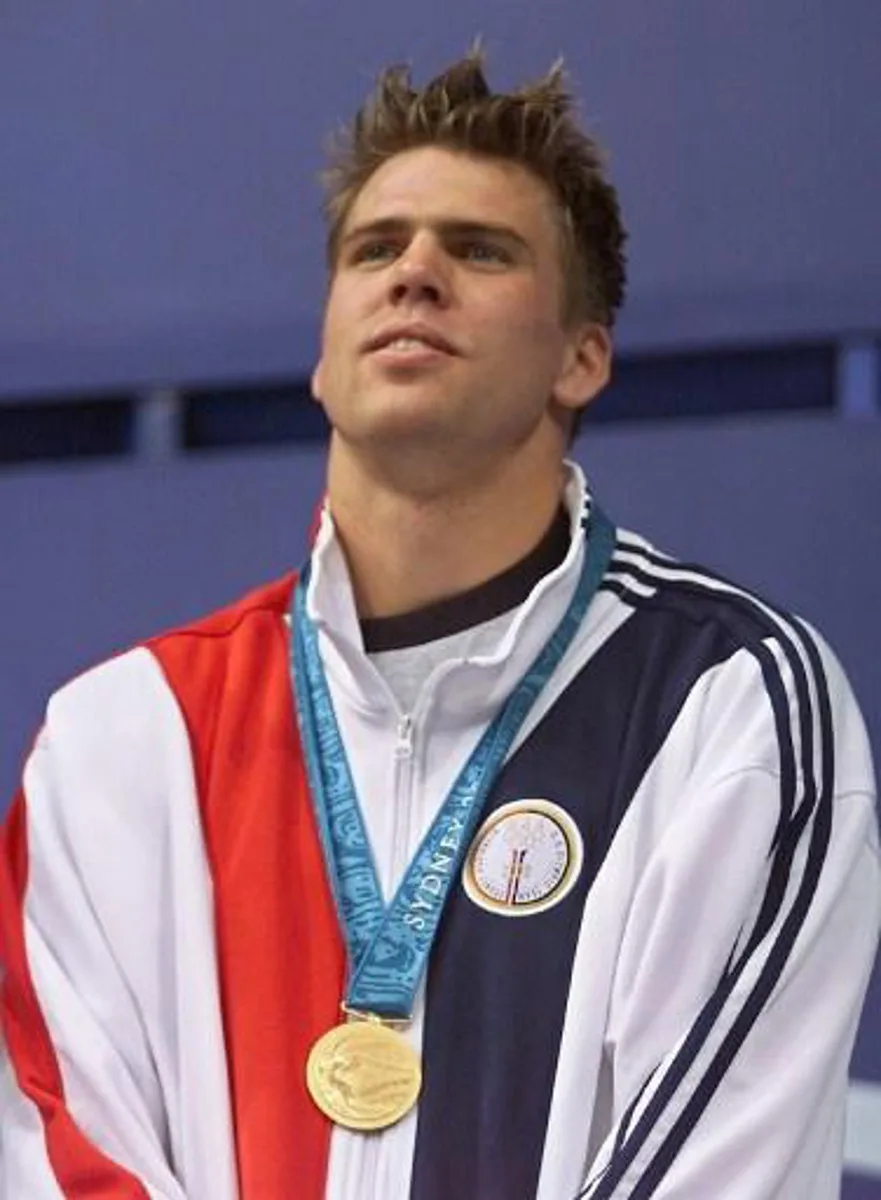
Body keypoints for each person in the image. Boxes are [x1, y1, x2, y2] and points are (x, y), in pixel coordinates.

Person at [1, 47, 879, 1200]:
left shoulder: (732, 710)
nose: (414, 272)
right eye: (376, 248)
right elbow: (60, 1162)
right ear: (321, 361)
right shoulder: (124, 742)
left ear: (582, 356)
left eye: (479, 249)